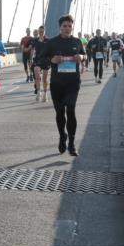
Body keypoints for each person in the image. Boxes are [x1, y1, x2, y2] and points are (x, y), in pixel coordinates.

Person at [44, 14, 86, 156]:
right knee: (60, 112)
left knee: (71, 109)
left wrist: (81, 57)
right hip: (57, 83)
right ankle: (63, 136)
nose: (67, 28)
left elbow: (84, 55)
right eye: (64, 26)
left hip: (73, 82)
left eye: (69, 26)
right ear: (60, 28)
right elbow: (41, 57)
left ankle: (72, 144)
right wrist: (52, 60)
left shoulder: (77, 41)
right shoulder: (52, 43)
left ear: (72, 27)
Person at [31, 25, 49, 102]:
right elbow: (32, 50)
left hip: (46, 60)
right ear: (38, 32)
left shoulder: (48, 40)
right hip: (37, 60)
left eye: (42, 32)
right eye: (39, 32)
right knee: (37, 76)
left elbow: (51, 50)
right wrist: (30, 59)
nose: (41, 33)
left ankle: (45, 93)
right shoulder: (35, 40)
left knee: (44, 79)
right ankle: (39, 92)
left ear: (44, 32)